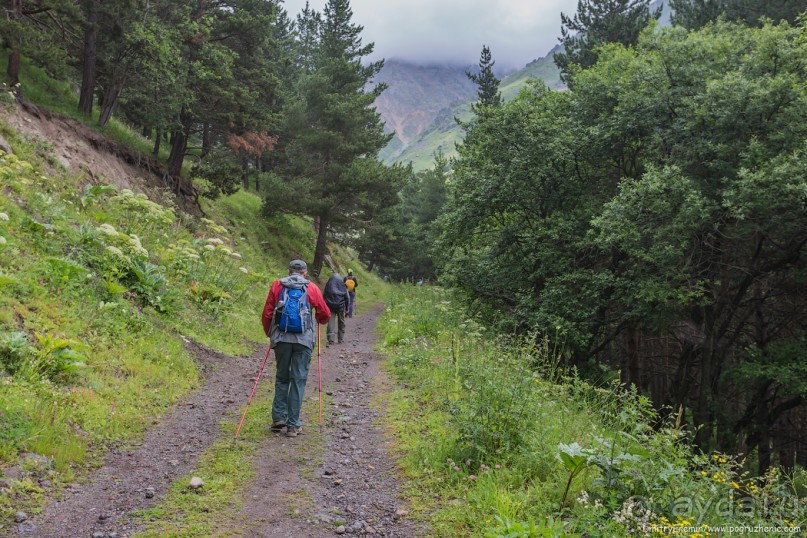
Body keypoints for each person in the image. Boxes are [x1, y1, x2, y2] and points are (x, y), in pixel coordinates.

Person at [261, 259, 330, 437]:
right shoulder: (311, 288)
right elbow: (324, 314)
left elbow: (267, 312)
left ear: (289, 271)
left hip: (281, 338)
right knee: (298, 380)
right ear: (305, 273)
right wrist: (319, 319)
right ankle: (293, 425)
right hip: (303, 341)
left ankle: (278, 418)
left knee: (282, 377)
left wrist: (270, 333)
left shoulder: (278, 285)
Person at [323, 272, 350, 346]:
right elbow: (347, 297)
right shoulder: (342, 283)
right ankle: (340, 339)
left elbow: (324, 295)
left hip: (330, 305)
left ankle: (331, 339)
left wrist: (324, 305)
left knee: (331, 321)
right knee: (341, 321)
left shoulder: (329, 284)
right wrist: (347, 308)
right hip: (340, 306)